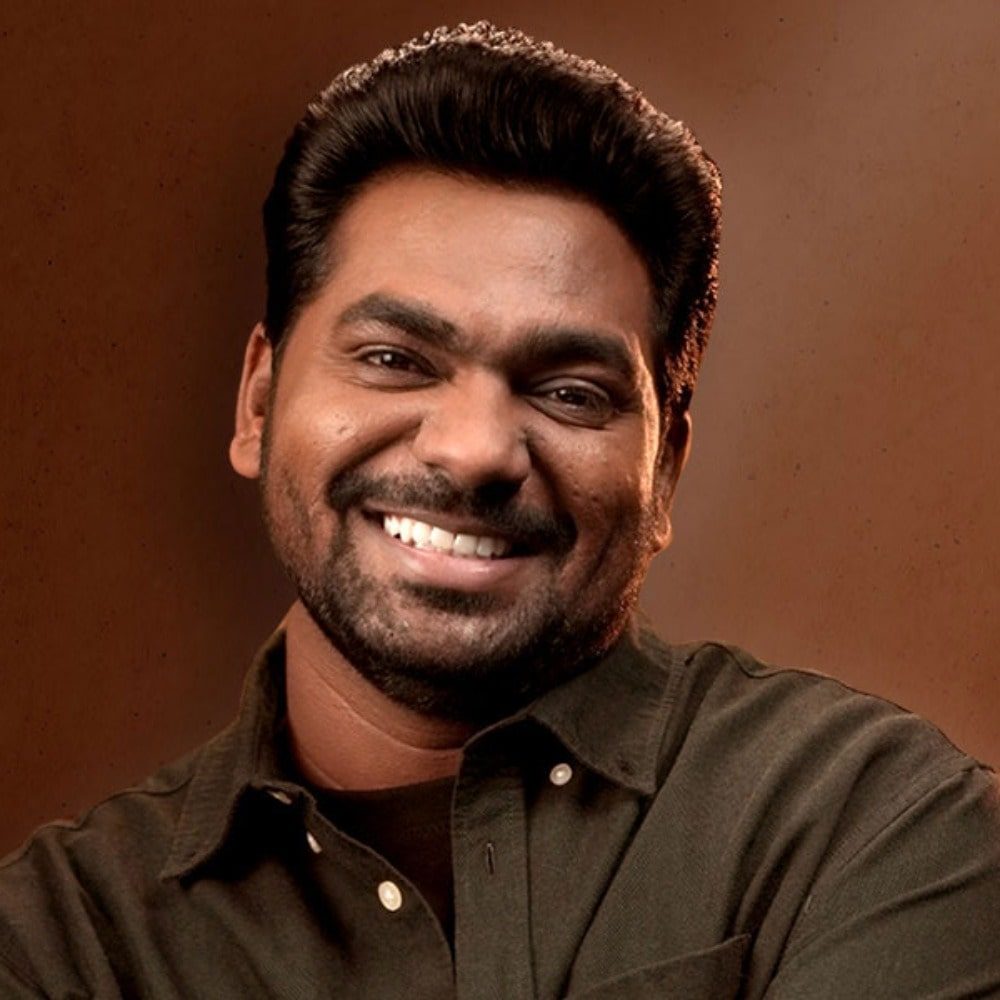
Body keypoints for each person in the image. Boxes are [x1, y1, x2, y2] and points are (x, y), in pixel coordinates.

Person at [1, 20, 998, 999]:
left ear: (666, 470)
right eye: (394, 360)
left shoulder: (869, 820)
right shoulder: (59, 937)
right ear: (258, 401)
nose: (474, 450)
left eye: (569, 391)